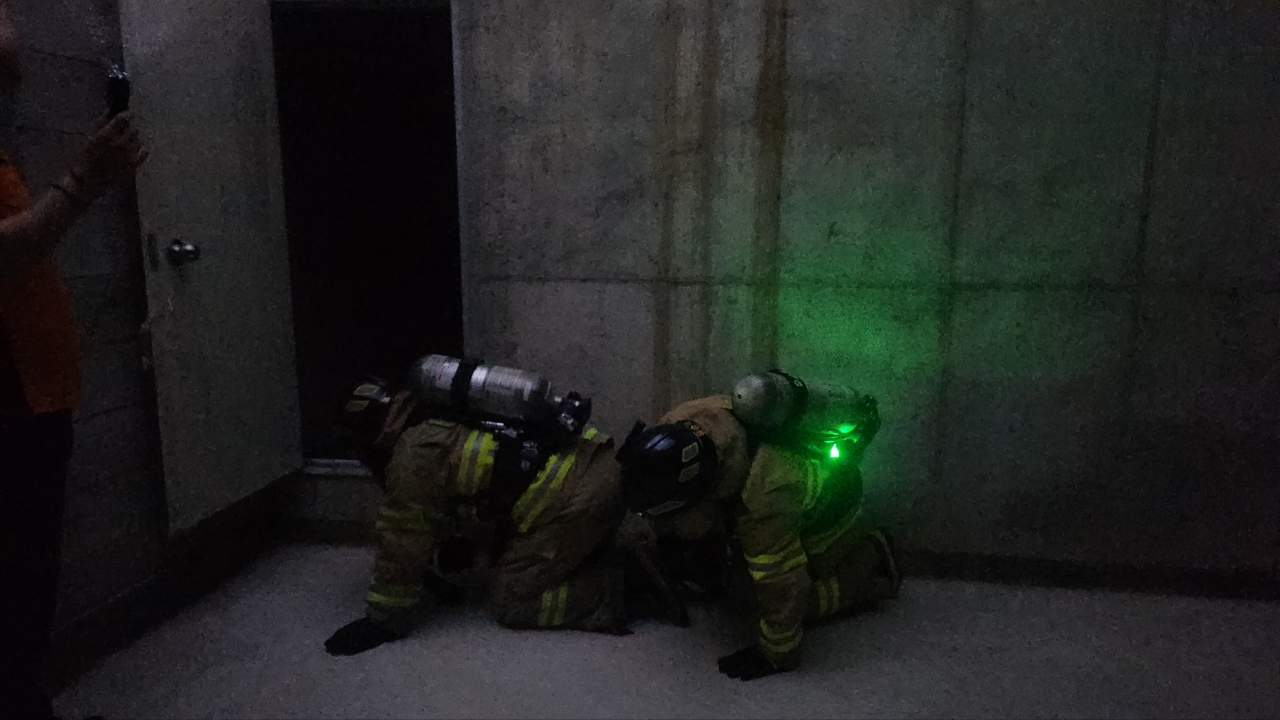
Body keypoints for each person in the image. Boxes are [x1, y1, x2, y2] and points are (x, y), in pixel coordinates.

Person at [0, 1, 149, 715]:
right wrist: (83, 181)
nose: (13, 33)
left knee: (27, 585)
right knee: (15, 588)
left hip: (34, 393)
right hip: (10, 400)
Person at [323, 376, 630, 656]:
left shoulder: (413, 457)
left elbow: (402, 542)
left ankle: (621, 590)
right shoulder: (438, 407)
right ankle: (588, 557)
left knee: (512, 602)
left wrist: (384, 620)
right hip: (593, 462)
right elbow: (484, 481)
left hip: (584, 500)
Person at [615, 387, 901, 681]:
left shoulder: (763, 499)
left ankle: (872, 565)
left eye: (668, 518)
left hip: (830, 513)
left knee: (766, 600)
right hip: (783, 494)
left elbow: (783, 586)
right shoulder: (681, 423)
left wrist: (775, 653)